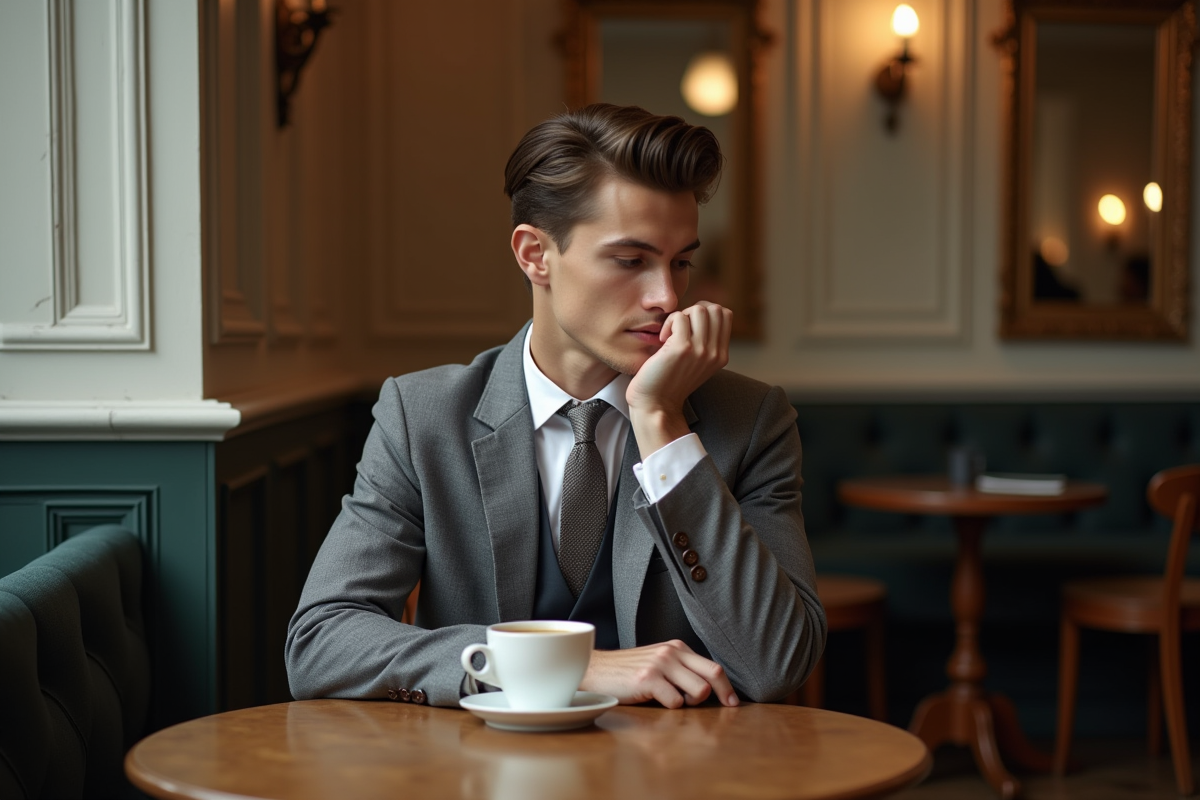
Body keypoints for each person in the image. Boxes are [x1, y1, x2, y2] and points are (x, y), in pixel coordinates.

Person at [286, 103, 826, 709]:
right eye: (631, 261)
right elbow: (321, 643)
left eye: (680, 262)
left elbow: (779, 663)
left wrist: (662, 425)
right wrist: (573, 667)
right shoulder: (422, 417)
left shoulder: (752, 422)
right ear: (535, 255)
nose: (667, 297)